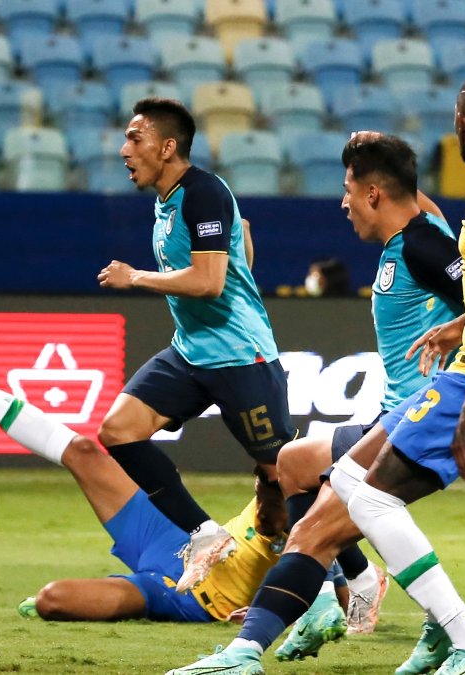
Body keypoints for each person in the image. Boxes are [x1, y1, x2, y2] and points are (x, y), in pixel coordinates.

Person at [167, 73, 465, 675]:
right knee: (319, 491)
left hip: (463, 387)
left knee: (354, 502)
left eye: (350, 189)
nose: (344, 202)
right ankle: (259, 646)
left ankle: (461, 637)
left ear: (461, 125)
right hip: (463, 382)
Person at [0, 317, 286, 624]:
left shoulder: (309, 528)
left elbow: (318, 586)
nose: (260, 484)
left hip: (184, 596)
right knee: (84, 451)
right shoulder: (297, 489)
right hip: (177, 540)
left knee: (51, 600)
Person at [270, 135, 465, 660]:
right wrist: (376, 144)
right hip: (395, 413)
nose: (342, 202)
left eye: (348, 189)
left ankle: (327, 605)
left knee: (330, 506)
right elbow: (412, 188)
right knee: (296, 466)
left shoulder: (426, 247)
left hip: (417, 418)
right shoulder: (413, 236)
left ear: (374, 193)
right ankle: (352, 594)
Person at [96, 98, 296, 591]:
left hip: (239, 355)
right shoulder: (168, 199)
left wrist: (135, 277)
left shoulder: (201, 191)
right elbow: (242, 237)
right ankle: (205, 534)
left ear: (167, 147)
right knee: (118, 429)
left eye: (134, 138)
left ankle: (353, 576)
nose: (124, 150)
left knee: (283, 479)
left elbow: (208, 282)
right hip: (192, 351)